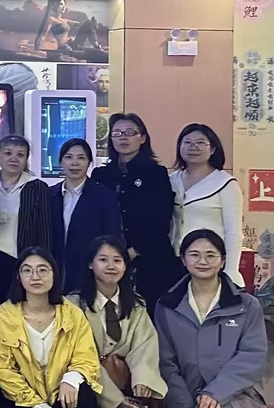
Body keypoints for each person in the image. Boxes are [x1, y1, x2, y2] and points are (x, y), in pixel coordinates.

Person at [156, 229, 266, 408]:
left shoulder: (246, 305)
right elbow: (165, 361)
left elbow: (252, 355)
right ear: (183, 259)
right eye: (194, 255)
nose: (202, 261)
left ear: (223, 260)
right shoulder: (167, 305)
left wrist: (216, 393)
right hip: (188, 400)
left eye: (210, 255)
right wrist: (181, 404)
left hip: (233, 396)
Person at [0, 247, 103, 408]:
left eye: (43, 270)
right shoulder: (4, 316)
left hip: (59, 391)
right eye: (27, 271)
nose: (35, 277)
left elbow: (86, 356)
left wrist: (71, 379)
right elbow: (2, 369)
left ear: (54, 275)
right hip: (21, 397)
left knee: (84, 395)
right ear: (19, 276)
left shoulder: (72, 314)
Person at [67, 236, 168, 408]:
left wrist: (142, 378)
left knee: (153, 391)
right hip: (90, 381)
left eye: (117, 260)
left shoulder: (136, 305)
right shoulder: (72, 305)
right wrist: (116, 398)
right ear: (90, 264)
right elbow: (80, 356)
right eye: (103, 260)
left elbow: (145, 345)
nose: (111, 266)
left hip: (123, 376)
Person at [91, 113, 177, 310]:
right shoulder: (101, 174)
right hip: (108, 256)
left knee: (149, 311)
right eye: (117, 133)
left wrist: (134, 249)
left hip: (149, 255)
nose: (123, 138)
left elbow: (161, 217)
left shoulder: (156, 173)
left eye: (130, 133)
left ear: (143, 138)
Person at [0, 135, 53, 315]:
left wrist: (43, 262)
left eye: (20, 154)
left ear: (26, 159)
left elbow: (45, 229)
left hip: (23, 258)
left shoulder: (37, 187)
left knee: (20, 308)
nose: (13, 158)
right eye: (8, 153)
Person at [171, 124, 245, 279]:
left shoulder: (225, 183)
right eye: (187, 142)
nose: (193, 147)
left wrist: (231, 271)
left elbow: (233, 232)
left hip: (210, 261)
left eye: (200, 143)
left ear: (212, 149)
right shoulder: (172, 180)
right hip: (177, 259)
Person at [49, 138, 122, 293]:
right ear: (61, 161)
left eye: (81, 158)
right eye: (69, 157)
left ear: (89, 163)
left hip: (88, 270)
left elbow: (111, 234)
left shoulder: (103, 195)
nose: (74, 163)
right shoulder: (50, 195)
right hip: (53, 270)